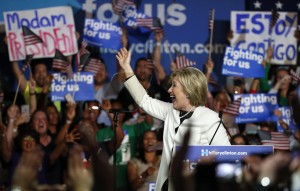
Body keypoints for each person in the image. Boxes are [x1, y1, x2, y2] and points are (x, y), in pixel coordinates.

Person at [116, 48, 231, 191]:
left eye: (174, 86)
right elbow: (144, 101)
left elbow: (226, 157)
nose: (169, 90)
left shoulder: (210, 119)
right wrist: (127, 68)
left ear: (188, 91)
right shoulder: (170, 111)